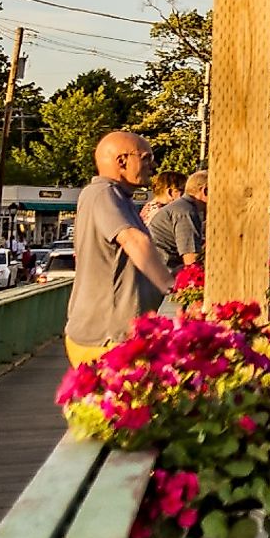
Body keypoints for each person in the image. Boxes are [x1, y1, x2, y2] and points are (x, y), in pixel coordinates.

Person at [64, 129, 176, 366]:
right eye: (146, 158)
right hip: (106, 337)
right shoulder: (103, 193)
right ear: (122, 161)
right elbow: (133, 240)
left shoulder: (119, 198)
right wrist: (171, 286)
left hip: (115, 336)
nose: (153, 166)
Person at [148, 168, 206, 272]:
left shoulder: (181, 207)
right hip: (166, 274)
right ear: (205, 191)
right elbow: (191, 262)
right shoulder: (186, 212)